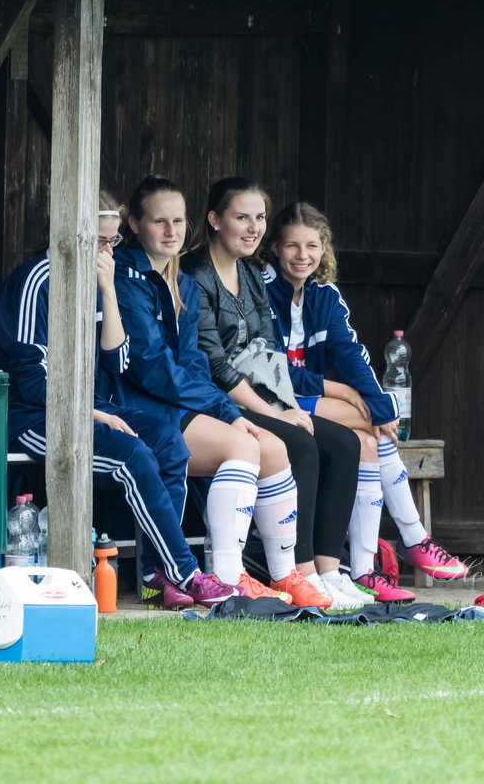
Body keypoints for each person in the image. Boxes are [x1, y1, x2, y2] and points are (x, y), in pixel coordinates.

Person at [0, 193, 238, 609]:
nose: (109, 251)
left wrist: (107, 290)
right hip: (35, 419)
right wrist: (96, 412)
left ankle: (154, 576)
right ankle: (184, 572)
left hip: (91, 408)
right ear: (73, 236)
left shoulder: (100, 279)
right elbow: (31, 381)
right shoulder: (36, 280)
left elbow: (118, 360)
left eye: (113, 242)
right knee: (131, 454)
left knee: (167, 440)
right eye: (101, 242)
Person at [107, 176, 329, 607]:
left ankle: (285, 577)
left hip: (180, 404)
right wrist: (225, 410)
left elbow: (192, 364)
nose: (172, 232)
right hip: (139, 408)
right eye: (159, 222)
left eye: (178, 221)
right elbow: (152, 369)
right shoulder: (126, 279)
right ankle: (229, 575)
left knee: (274, 448)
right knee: (243, 445)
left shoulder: (182, 285)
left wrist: (224, 408)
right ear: (134, 224)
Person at [262, 202, 469, 602]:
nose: (302, 255)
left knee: (372, 439)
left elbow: (351, 354)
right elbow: (271, 369)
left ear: (324, 249)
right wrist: (344, 393)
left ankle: (364, 570)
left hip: (308, 399)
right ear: (275, 248)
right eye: (292, 246)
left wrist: (377, 404)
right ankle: (409, 540)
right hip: (271, 400)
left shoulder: (325, 296)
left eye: (312, 245)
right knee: (362, 416)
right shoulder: (262, 290)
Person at [182, 177, 370, 609]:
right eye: (241, 217)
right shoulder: (195, 273)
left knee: (343, 443)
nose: (253, 228)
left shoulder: (250, 272)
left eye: (260, 218)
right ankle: (298, 573)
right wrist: (276, 413)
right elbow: (215, 363)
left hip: (259, 396)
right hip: (219, 402)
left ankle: (327, 571)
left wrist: (286, 406)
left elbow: (269, 350)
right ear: (214, 220)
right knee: (300, 443)